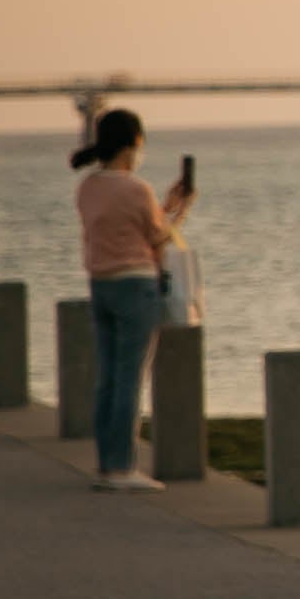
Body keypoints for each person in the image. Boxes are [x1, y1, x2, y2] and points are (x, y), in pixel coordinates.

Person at [70, 107, 193, 493]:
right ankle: (124, 467)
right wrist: (181, 209)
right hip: (136, 286)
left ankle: (107, 464)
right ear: (134, 143)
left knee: (107, 376)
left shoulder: (88, 187)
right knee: (130, 378)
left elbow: (127, 226)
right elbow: (158, 237)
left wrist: (167, 207)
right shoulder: (136, 188)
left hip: (100, 284)